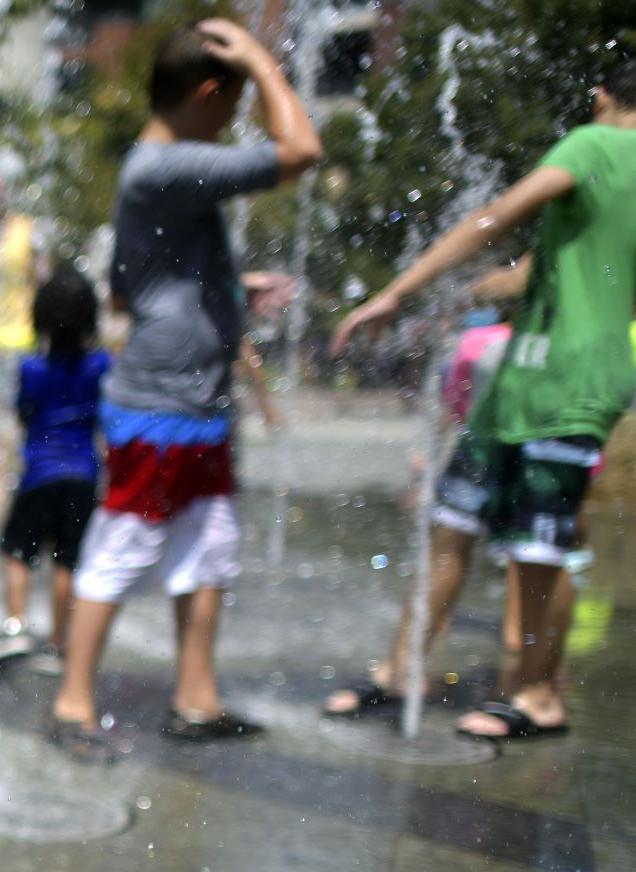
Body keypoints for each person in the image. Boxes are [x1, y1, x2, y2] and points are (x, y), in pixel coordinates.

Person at [325, 55, 636, 741]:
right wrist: (465, 292)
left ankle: (537, 696)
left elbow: (500, 213)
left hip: (565, 380)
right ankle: (401, 670)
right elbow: (552, 268)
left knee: (535, 545)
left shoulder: (598, 142)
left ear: (600, 93)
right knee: (459, 519)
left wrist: (399, 290)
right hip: (537, 376)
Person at [48, 20, 321, 759]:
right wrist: (264, 61)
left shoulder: (164, 173)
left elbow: (140, 280)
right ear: (210, 92)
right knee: (122, 547)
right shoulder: (163, 166)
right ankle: (72, 703)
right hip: (159, 406)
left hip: (198, 401)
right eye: (233, 102)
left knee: (208, 547)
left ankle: (196, 698)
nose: (236, 119)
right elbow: (301, 149)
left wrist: (231, 288)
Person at [0, 266, 109, 671]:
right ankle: (57, 642)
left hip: (39, 472)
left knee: (18, 553)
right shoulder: (101, 364)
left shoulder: (31, 368)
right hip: (83, 475)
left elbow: (22, 416)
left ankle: (16, 625)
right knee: (66, 560)